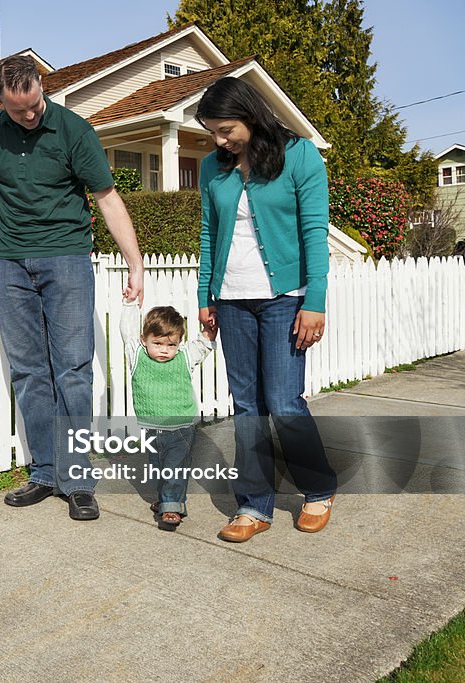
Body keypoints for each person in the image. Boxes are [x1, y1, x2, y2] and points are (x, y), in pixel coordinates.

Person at [0, 55, 144, 521]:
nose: (29, 116)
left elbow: (107, 198)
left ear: (40, 87)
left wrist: (135, 262)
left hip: (66, 258)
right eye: (17, 110)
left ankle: (79, 480)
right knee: (28, 371)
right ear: (1, 101)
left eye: (33, 105)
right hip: (11, 264)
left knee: (72, 370)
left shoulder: (74, 130)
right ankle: (45, 473)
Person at [195, 77, 338, 542]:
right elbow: (208, 235)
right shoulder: (211, 169)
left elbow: (315, 232)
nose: (220, 141)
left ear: (251, 115)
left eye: (226, 129)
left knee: (283, 402)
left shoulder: (300, 156)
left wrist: (314, 302)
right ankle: (254, 505)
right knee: (247, 405)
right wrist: (205, 296)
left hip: (284, 299)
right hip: (231, 299)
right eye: (213, 132)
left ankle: (317, 489)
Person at [119, 303, 215, 530]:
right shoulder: (136, 354)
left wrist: (210, 329)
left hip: (181, 426)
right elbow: (126, 329)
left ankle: (173, 506)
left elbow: (204, 345)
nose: (164, 350)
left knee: (175, 465)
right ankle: (165, 499)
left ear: (179, 343)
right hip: (151, 427)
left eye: (171, 345)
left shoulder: (184, 356)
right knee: (158, 465)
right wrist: (130, 304)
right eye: (158, 343)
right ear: (144, 339)